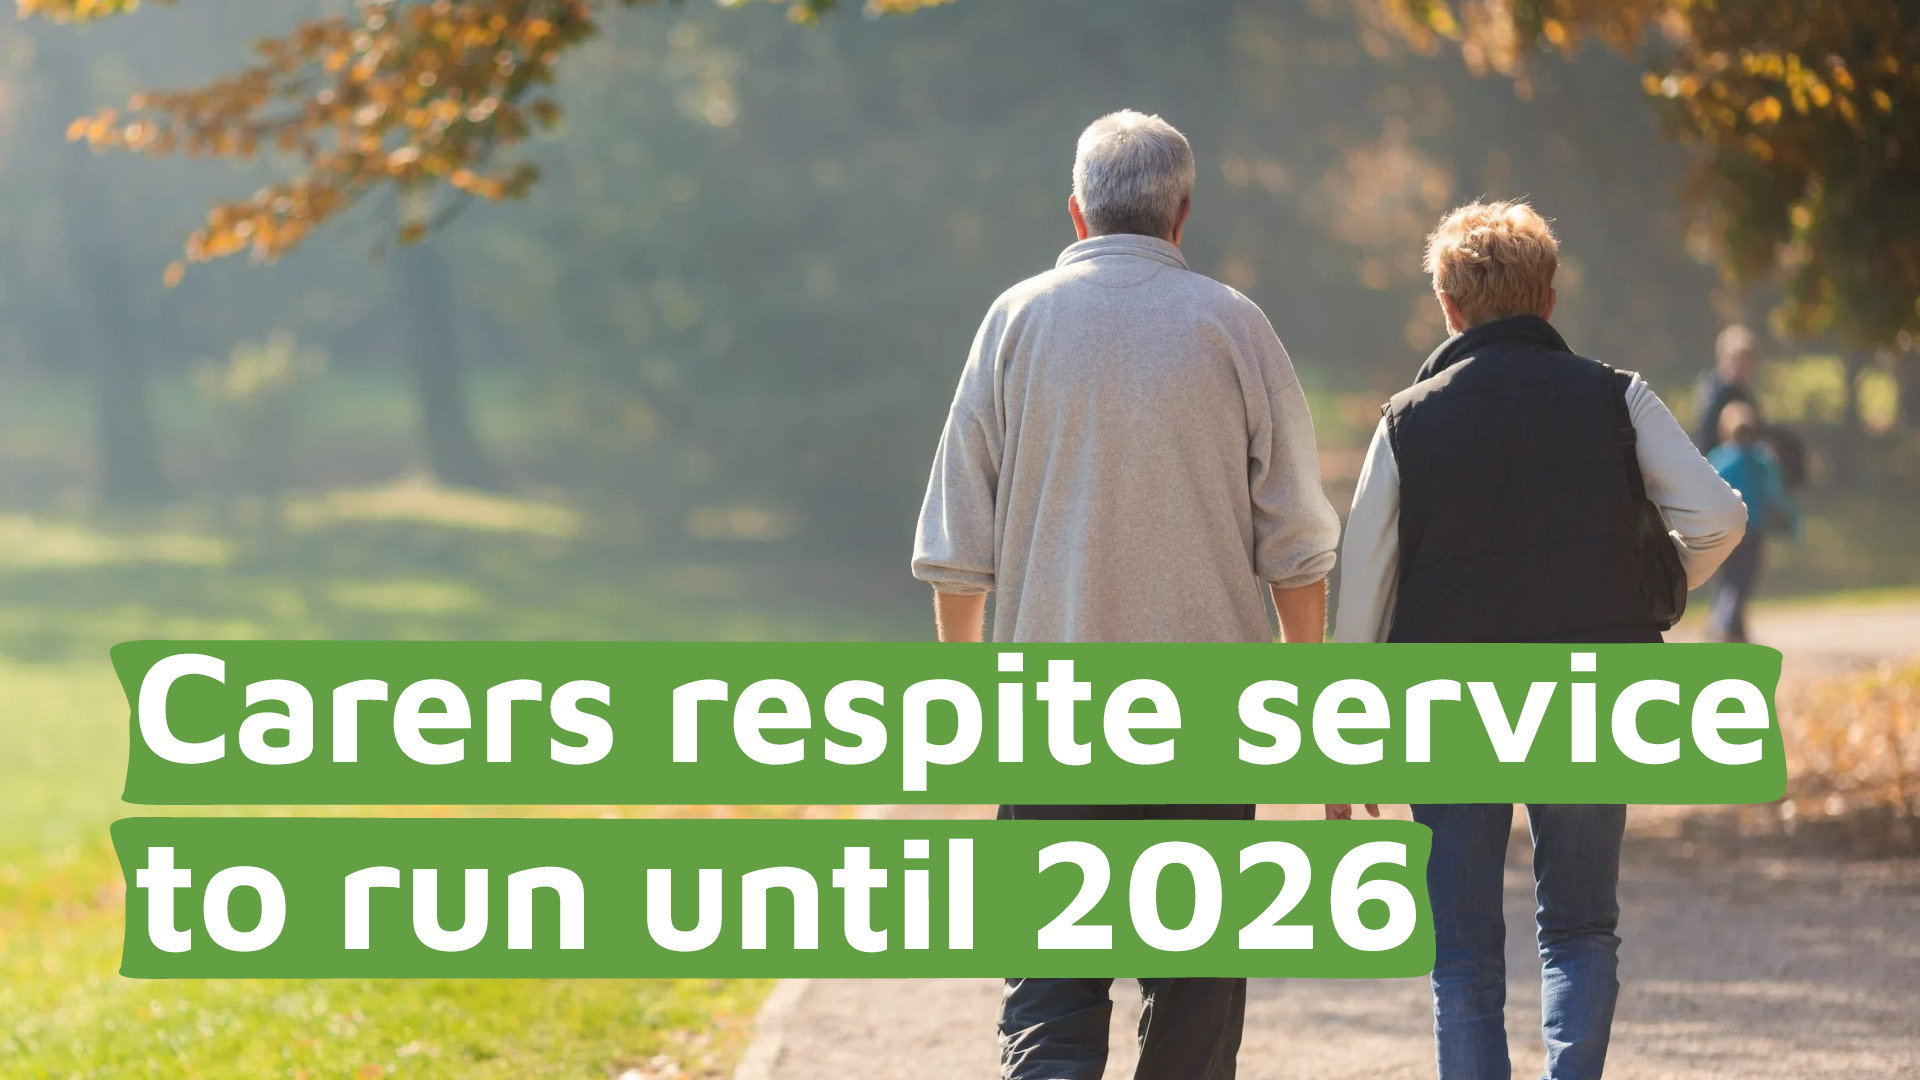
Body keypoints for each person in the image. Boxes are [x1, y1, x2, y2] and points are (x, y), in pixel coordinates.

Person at [911, 110, 1342, 1080]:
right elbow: (1299, 552)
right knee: (1194, 987)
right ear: (1181, 215)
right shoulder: (1235, 326)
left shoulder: (1014, 323)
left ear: (1076, 213)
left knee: (1052, 985)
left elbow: (955, 547)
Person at [1333, 200, 1749, 1080]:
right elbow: (1718, 518)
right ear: (1549, 300)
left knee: (1464, 957)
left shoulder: (1406, 421)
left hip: (1449, 706)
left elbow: (1363, 597)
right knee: (1580, 927)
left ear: (1447, 306)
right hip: (1591, 694)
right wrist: (1658, 585)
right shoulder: (1616, 397)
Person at [1707, 401, 1798, 643]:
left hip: (1726, 530)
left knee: (1729, 579)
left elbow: (1708, 493)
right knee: (1743, 581)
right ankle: (1725, 626)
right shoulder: (1762, 460)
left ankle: (1731, 627)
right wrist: (1790, 521)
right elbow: (1774, 494)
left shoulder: (1719, 459)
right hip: (1754, 529)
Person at [1693, 323, 1761, 452]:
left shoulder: (1745, 392)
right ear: (1723, 358)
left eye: (1748, 359)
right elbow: (1705, 440)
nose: (1744, 365)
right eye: (1737, 359)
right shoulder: (1715, 395)